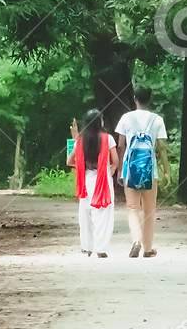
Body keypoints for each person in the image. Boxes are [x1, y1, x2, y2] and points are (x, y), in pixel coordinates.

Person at [115, 85, 170, 258]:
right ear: (150, 99)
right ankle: (147, 248)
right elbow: (161, 148)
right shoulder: (157, 120)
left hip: (130, 170)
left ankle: (136, 240)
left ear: (134, 98)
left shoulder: (125, 118)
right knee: (149, 210)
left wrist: (119, 171)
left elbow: (121, 146)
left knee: (132, 208)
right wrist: (166, 171)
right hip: (150, 170)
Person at [70, 109, 118, 258]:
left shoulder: (80, 140)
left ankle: (87, 246)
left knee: (85, 214)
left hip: (85, 180)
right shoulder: (108, 138)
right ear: (100, 122)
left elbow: (69, 161)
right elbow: (115, 161)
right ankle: (101, 248)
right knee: (103, 214)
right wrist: (109, 172)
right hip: (103, 180)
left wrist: (75, 138)